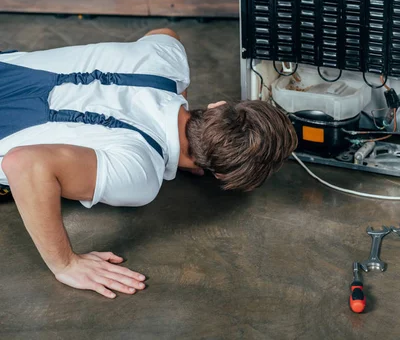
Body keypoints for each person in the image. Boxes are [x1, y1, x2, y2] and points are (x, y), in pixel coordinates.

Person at [0, 28, 297, 298]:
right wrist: (65, 263)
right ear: (219, 172)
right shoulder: (140, 172)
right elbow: (24, 165)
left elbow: (165, 32)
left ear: (217, 107)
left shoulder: (165, 59)